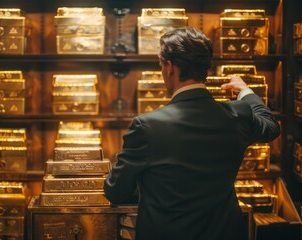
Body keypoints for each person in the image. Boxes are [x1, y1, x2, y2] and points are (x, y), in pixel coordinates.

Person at [103, 27, 280, 240]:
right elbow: (271, 126)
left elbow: (116, 191)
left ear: (169, 67)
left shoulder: (147, 126)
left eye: (160, 64)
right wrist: (245, 91)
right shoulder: (238, 115)